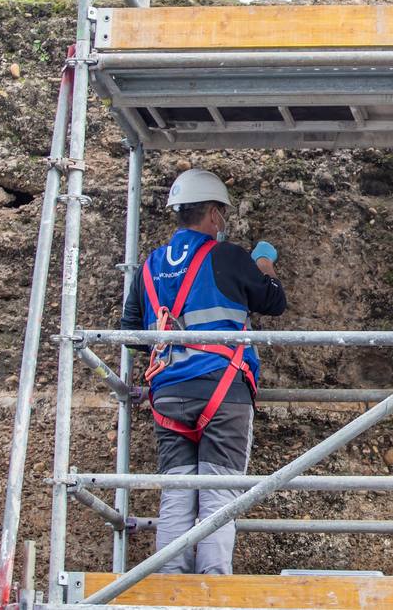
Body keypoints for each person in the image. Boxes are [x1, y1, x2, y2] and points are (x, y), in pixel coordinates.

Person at [120, 168, 286, 575]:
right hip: (223, 391)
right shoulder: (228, 256)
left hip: (169, 396)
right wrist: (263, 262)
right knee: (218, 494)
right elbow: (274, 301)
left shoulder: (150, 265)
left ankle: (170, 584)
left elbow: (131, 333)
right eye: (222, 215)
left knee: (177, 495)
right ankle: (213, 585)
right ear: (213, 214)